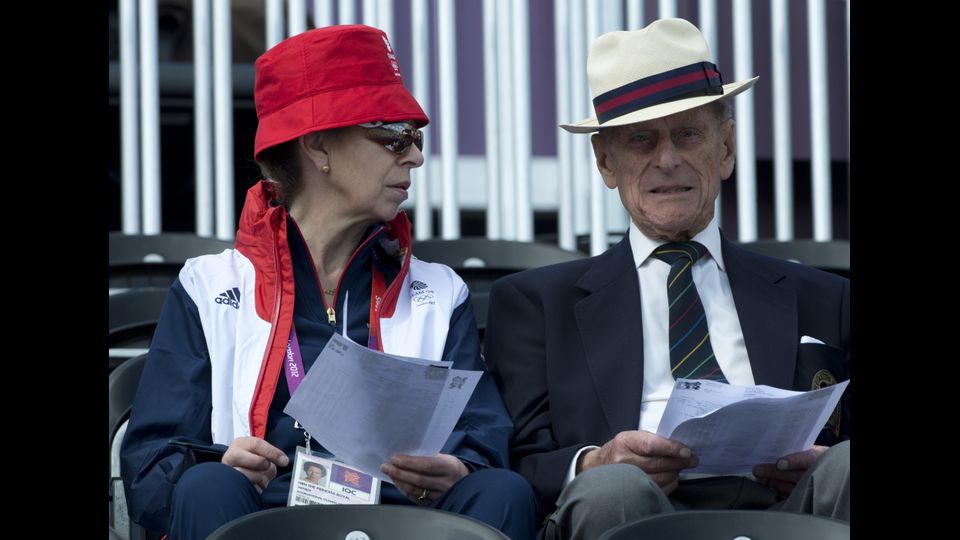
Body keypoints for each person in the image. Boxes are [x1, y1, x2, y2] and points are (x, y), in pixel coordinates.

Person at [120, 24, 537, 540]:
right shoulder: (208, 287)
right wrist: (224, 462)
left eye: (415, 136)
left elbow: (484, 437)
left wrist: (460, 468)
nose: (415, 155)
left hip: (403, 522)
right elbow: (150, 468)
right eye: (393, 135)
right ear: (320, 147)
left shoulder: (440, 292)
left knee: (503, 492)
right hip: (261, 520)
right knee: (207, 486)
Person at [483, 18, 849, 540]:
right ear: (605, 163)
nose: (668, 160)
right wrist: (594, 462)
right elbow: (516, 463)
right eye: (640, 141)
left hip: (790, 510)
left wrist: (823, 459)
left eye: (688, 133)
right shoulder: (536, 303)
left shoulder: (826, 296)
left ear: (724, 148)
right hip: (633, 511)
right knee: (612, 487)